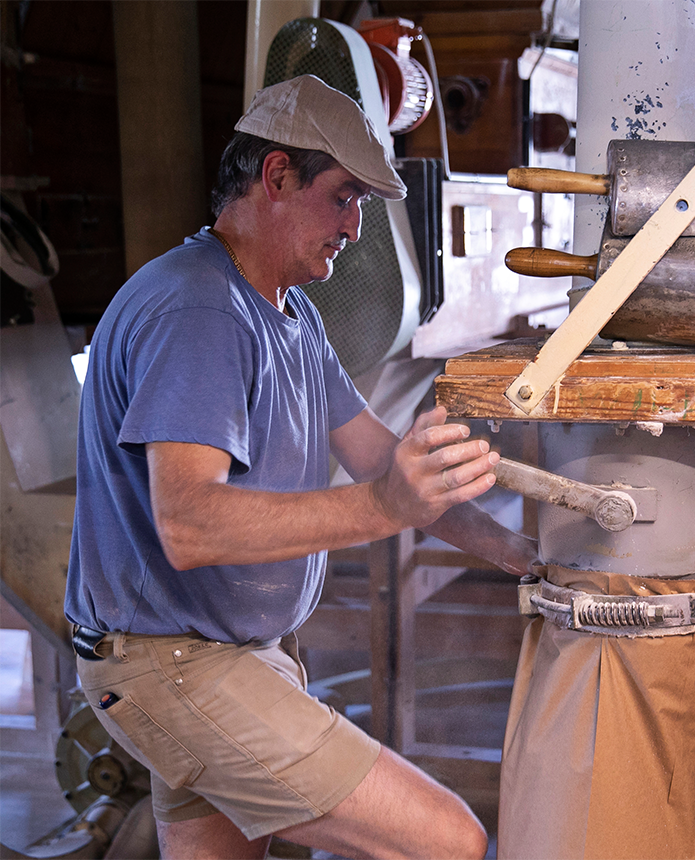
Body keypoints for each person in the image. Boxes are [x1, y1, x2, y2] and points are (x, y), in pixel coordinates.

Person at [64, 74, 537, 860]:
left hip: (224, 657)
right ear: (276, 176)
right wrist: (386, 504)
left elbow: (379, 456)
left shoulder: (290, 313)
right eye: (344, 197)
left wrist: (528, 561)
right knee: (449, 842)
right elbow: (188, 522)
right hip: (175, 666)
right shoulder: (199, 310)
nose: (355, 228)